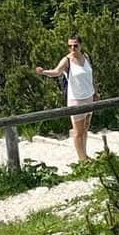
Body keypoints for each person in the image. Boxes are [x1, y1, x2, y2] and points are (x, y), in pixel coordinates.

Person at [35, 34, 96, 162]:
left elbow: (90, 76)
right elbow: (56, 72)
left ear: (81, 45)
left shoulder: (86, 57)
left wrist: (95, 92)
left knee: (85, 128)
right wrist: (43, 72)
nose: (73, 48)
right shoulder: (67, 60)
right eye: (70, 46)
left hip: (89, 97)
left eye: (75, 45)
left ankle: (85, 155)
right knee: (78, 132)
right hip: (76, 99)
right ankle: (82, 160)